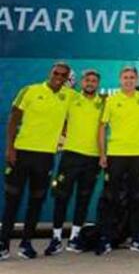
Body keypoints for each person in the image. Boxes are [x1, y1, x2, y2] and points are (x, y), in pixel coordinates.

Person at [1, 62, 74, 260]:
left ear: (67, 78)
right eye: (56, 73)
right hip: (21, 153)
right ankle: (3, 244)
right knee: (12, 200)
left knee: (36, 201)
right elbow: (13, 118)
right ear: (50, 73)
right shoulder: (29, 90)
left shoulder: (69, 96)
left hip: (46, 157)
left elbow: (89, 101)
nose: (59, 77)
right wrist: (10, 148)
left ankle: (26, 244)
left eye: (63, 75)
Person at [45, 69, 104, 256]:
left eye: (94, 81)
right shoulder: (71, 97)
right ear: (81, 82)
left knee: (83, 199)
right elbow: (55, 91)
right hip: (70, 155)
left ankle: (75, 238)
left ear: (98, 84)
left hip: (92, 158)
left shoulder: (104, 103)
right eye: (87, 80)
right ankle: (56, 238)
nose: (90, 83)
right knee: (61, 197)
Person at [96, 66, 139, 255]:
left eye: (132, 77)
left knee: (137, 198)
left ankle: (137, 239)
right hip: (116, 155)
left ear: (137, 80)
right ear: (120, 80)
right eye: (125, 77)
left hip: (138, 155)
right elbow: (102, 127)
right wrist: (102, 154)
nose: (129, 80)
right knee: (110, 198)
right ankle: (106, 238)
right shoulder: (111, 100)